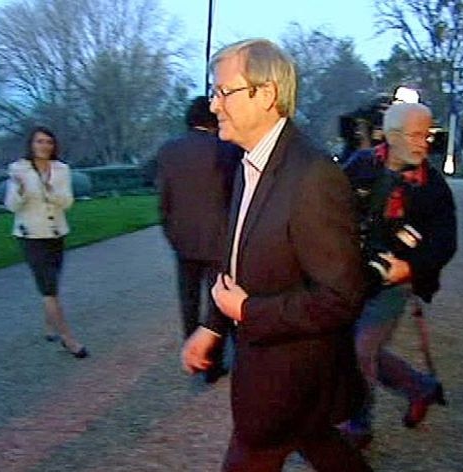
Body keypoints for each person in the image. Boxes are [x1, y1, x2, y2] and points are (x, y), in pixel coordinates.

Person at [180, 38, 371, 471]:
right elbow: (234, 258)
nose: (213, 106)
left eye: (223, 92)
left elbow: (342, 297)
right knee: (321, 443)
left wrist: (249, 312)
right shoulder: (245, 162)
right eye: (214, 93)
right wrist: (212, 326)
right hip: (277, 377)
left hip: (289, 378)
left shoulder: (313, 176)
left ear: (265, 94)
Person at [340, 102, 457, 447]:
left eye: (428, 135)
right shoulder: (360, 165)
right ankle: (420, 388)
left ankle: (358, 425)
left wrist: (412, 266)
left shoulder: (432, 187)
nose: (424, 143)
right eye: (416, 135)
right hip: (355, 274)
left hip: (395, 283)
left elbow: (445, 242)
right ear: (391, 137)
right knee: (353, 346)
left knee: (362, 348)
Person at [157, 96, 239, 383]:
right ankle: (214, 358)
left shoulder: (169, 151)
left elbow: (164, 200)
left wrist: (172, 234)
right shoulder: (226, 150)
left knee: (189, 300)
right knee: (218, 300)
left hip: (184, 241)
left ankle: (196, 354)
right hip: (219, 239)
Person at [4, 126, 88, 359]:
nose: (44, 146)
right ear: (31, 144)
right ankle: (69, 339)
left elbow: (67, 202)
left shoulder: (61, 169)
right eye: (40, 142)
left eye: (48, 142)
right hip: (30, 235)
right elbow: (11, 205)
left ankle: (49, 326)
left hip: (56, 233)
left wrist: (49, 189)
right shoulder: (18, 169)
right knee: (49, 288)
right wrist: (20, 190)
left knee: (52, 285)